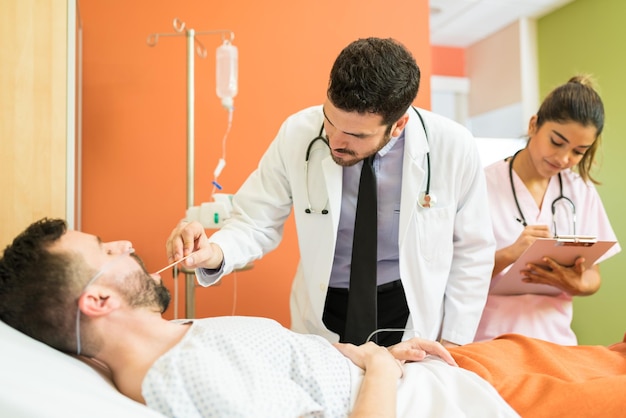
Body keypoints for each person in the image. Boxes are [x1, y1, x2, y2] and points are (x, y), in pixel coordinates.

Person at [3, 219, 626, 418]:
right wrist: (379, 367)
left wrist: (374, 359)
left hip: (443, 371)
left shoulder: (185, 343)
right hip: (453, 401)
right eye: (103, 252)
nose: (122, 246)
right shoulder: (180, 377)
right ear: (98, 302)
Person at [166, 37, 496, 347]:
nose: (335, 141)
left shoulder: (453, 146)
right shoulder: (298, 133)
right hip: (327, 308)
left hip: (410, 307)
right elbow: (255, 221)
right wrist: (215, 251)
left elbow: (473, 249)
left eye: (355, 134)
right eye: (330, 120)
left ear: (398, 125)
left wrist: (454, 338)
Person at [474, 75, 621, 345]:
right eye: (556, 142)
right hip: (490, 340)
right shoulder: (480, 186)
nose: (564, 158)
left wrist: (575, 284)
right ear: (534, 125)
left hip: (557, 342)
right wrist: (511, 254)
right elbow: (457, 272)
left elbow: (592, 276)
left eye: (578, 151)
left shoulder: (581, 190)